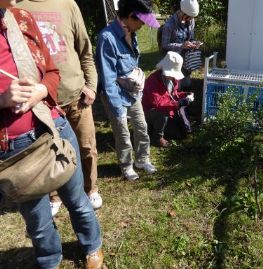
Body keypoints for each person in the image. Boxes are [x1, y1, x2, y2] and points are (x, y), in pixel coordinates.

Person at [0, 2, 103, 269]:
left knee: (77, 199)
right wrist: (1, 99)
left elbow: (53, 71)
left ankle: (92, 246)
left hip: (53, 128)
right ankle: (50, 260)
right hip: (14, 150)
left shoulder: (21, 18)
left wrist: (42, 92)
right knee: (38, 220)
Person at [17, 0, 103, 214]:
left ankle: (90, 188)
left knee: (86, 147)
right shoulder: (17, 8)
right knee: (51, 153)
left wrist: (91, 86)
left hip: (77, 97)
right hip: (44, 103)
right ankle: (55, 195)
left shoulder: (68, 4)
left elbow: (85, 50)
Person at [96, 0, 159, 180]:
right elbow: (108, 79)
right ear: (130, 17)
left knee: (141, 126)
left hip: (131, 92)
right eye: (141, 21)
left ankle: (142, 159)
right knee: (122, 133)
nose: (142, 26)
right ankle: (126, 165)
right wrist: (117, 109)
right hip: (115, 94)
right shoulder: (107, 38)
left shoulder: (132, 32)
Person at [142, 51, 194, 147]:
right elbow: (158, 104)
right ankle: (157, 138)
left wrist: (185, 94)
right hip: (150, 111)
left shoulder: (173, 79)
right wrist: (178, 104)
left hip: (166, 108)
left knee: (177, 134)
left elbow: (173, 94)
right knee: (163, 113)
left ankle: (153, 128)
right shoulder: (153, 81)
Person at [160, 0, 201, 87]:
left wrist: (194, 43)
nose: (191, 20)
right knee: (175, 86)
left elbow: (191, 38)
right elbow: (165, 45)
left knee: (186, 84)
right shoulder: (169, 25)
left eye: (192, 17)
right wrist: (182, 45)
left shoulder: (191, 21)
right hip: (173, 60)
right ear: (183, 13)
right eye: (190, 17)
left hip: (186, 59)